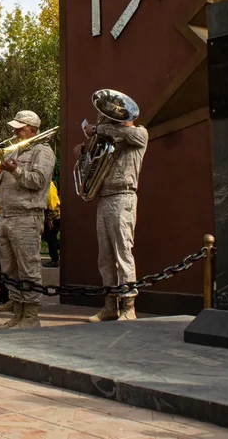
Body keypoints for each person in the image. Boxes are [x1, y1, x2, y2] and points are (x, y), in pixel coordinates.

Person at [74, 102, 148, 322]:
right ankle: (110, 305)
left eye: (116, 115)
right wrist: (84, 155)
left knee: (123, 252)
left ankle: (128, 307)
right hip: (104, 197)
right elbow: (92, 168)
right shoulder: (110, 138)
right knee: (105, 256)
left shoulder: (139, 133)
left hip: (123, 196)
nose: (112, 118)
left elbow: (128, 134)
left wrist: (97, 128)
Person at [0, 111, 55, 329]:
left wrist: (15, 170)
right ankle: (18, 312)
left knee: (28, 268)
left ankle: (31, 315)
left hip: (27, 216)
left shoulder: (43, 151)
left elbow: (38, 181)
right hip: (6, 215)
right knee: (9, 268)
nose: (14, 131)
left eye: (20, 128)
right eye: (15, 128)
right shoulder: (13, 150)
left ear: (33, 130)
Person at [42, 180, 61, 268]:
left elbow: (53, 204)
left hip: (54, 216)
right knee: (47, 236)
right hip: (52, 216)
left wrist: (50, 219)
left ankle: (55, 260)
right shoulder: (48, 185)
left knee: (50, 237)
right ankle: (62, 248)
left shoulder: (49, 186)